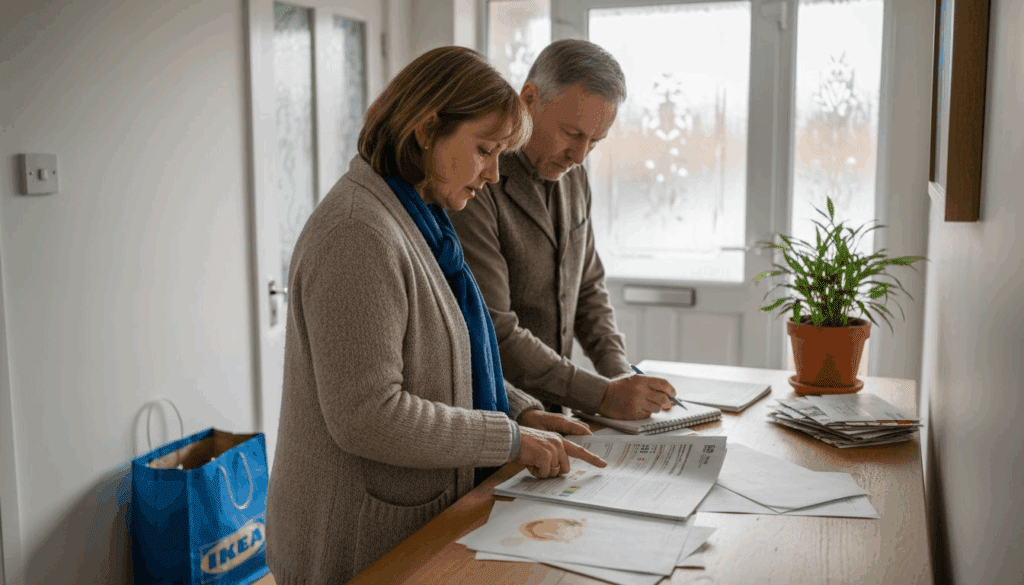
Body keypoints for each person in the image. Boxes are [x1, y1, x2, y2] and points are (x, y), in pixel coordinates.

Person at [264, 46, 607, 583]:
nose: (494, 174)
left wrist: (520, 411)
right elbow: (368, 415)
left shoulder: (421, 217)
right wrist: (510, 438)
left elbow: (449, 357)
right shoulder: (359, 232)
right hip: (352, 543)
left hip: (408, 524)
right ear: (426, 129)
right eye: (485, 150)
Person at [450, 39, 677, 420]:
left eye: (595, 141)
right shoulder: (475, 183)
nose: (580, 155)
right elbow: (495, 330)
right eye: (572, 133)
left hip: (559, 414)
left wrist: (619, 373)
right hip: (496, 416)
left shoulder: (575, 176)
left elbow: (588, 288)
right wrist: (603, 395)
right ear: (528, 98)